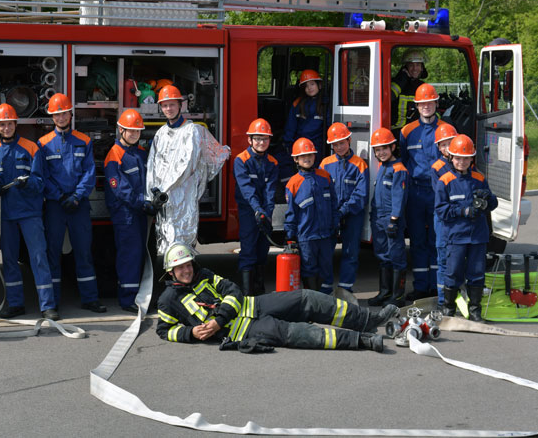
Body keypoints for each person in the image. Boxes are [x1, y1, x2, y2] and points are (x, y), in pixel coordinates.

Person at [156, 243, 397, 352]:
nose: (186, 270)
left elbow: (233, 292)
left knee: (307, 298)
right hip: (244, 331)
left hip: (255, 305)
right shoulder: (168, 300)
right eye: (180, 268)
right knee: (298, 333)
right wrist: (190, 333)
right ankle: (362, 341)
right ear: (171, 271)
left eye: (188, 265)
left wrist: (219, 319)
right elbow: (164, 330)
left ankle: (367, 320)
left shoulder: (204, 275)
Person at [38, 93, 106, 314]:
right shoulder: (44, 144)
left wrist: (76, 196)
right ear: (52, 117)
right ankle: (53, 301)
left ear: (70, 114)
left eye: (63, 113)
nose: (60, 117)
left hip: (78, 204)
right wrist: (59, 196)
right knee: (53, 252)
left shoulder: (84, 141)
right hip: (56, 206)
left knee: (84, 252)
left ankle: (90, 298)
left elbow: (89, 172)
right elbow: (43, 176)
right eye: (56, 114)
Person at [0, 103, 57, 320]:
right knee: (9, 259)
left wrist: (28, 184)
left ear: (15, 124)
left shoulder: (32, 148)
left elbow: (40, 181)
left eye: (9, 123)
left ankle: (48, 306)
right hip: (6, 214)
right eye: (2, 125)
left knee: (38, 258)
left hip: (30, 213)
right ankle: (16, 303)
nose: (6, 128)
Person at [146, 84, 229, 254]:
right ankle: (169, 280)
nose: (168, 108)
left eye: (172, 104)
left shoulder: (192, 132)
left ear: (180, 105)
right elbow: (152, 165)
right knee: (165, 243)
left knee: (182, 245)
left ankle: (186, 279)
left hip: (183, 197)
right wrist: (151, 193)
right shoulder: (161, 134)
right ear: (161, 107)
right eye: (165, 105)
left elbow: (187, 166)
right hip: (164, 201)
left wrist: (164, 189)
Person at [435, 135, 497, 321]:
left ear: (472, 159)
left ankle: (475, 311)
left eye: (466, 158)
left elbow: (493, 204)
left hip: (478, 236)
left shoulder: (479, 178)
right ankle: (448, 309)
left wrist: (487, 199)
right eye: (458, 158)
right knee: (453, 272)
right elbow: (441, 210)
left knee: (476, 273)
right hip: (456, 236)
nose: (462, 162)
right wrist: (463, 211)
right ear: (451, 158)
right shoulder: (445, 181)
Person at [399, 83, 451, 301]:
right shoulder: (407, 131)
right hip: (416, 193)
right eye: (422, 104)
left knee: (437, 240)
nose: (426, 107)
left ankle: (438, 287)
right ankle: (421, 287)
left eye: (430, 102)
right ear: (417, 106)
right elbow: (403, 160)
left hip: (439, 192)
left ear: (436, 103)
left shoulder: (447, 129)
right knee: (418, 241)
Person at [104, 109, 154, 313]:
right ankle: (127, 299)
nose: (134, 134)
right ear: (121, 130)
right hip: (126, 214)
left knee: (140, 254)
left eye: (137, 131)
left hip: (140, 213)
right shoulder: (114, 155)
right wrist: (143, 201)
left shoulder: (141, 153)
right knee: (129, 255)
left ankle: (138, 296)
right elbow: (120, 188)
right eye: (130, 131)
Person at [284, 137, 338, 294]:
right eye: (303, 156)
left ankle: (327, 302)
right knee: (309, 269)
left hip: (326, 235)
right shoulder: (293, 184)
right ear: (296, 159)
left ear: (315, 156)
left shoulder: (325, 177)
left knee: (326, 269)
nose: (307, 158)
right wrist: (290, 236)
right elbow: (291, 213)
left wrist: (335, 224)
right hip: (307, 237)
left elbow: (334, 203)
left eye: (310, 155)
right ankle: (313, 303)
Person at [319, 123, 369, 293]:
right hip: (331, 215)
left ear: (349, 140)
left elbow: (361, 195)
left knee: (350, 252)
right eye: (335, 144)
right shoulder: (325, 164)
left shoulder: (360, 164)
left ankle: (345, 290)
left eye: (342, 142)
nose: (339, 147)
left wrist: (344, 210)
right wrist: (331, 213)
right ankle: (325, 290)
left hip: (352, 215)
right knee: (325, 253)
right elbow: (320, 191)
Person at [233, 118, 278, 295]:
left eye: (265, 139)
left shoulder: (273, 162)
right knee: (248, 249)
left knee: (262, 250)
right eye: (257, 138)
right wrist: (257, 210)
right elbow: (247, 190)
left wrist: (267, 213)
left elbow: (270, 190)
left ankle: (259, 289)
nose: (261, 142)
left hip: (263, 211)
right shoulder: (241, 160)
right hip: (248, 210)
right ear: (249, 140)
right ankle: (247, 293)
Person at [367, 128, 410, 307]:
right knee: (383, 255)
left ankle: (398, 296)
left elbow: (398, 197)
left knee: (396, 256)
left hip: (391, 220)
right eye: (377, 150)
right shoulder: (383, 167)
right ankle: (385, 292)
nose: (381, 152)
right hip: (378, 219)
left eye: (384, 148)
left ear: (393, 146)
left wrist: (394, 219)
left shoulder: (398, 169)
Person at [430, 122, 458, 309]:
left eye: (450, 142)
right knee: (443, 259)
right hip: (444, 219)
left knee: (459, 259)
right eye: (443, 144)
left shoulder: (464, 161)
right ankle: (443, 300)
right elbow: (441, 197)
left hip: (462, 222)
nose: (447, 147)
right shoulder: (437, 167)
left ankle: (458, 297)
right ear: (438, 148)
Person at [283, 69, 325, 158]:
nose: (309, 88)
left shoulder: (325, 104)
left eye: (312, 84)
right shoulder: (297, 104)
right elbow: (290, 127)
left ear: (319, 85)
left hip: (317, 147)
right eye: (306, 86)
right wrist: (289, 146)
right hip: (300, 146)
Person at [391, 49, 428, 129]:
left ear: (422, 68)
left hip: (415, 132)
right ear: (405, 67)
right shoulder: (397, 83)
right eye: (411, 65)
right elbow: (389, 97)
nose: (415, 68)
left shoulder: (423, 86)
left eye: (418, 65)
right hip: (395, 132)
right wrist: (402, 78)